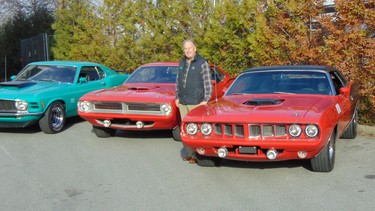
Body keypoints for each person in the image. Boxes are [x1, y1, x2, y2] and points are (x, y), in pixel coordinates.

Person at [175, 39, 212, 164]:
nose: (188, 50)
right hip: (183, 102)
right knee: (185, 130)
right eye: (185, 48)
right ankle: (189, 153)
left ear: (195, 48)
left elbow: (208, 83)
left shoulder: (202, 63)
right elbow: (178, 81)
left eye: (190, 47)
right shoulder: (182, 62)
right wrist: (177, 97)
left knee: (197, 130)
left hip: (196, 102)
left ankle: (199, 155)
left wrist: (205, 100)